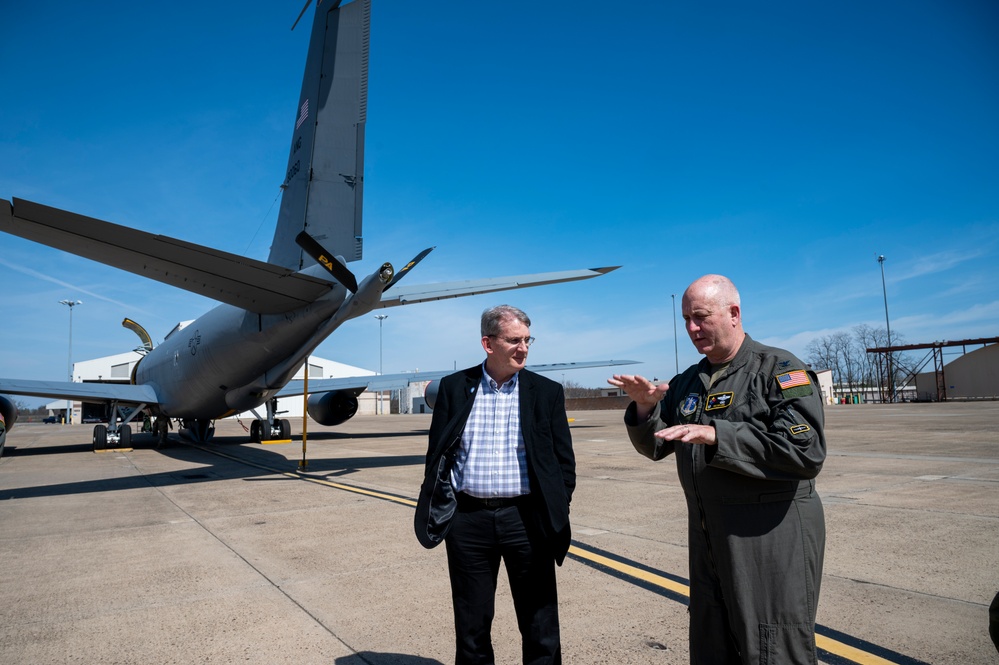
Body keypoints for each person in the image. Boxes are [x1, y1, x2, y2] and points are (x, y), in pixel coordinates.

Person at [609, 274, 826, 664]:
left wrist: (717, 434)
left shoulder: (779, 369)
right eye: (686, 319)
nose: (692, 328)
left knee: (771, 645)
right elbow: (657, 445)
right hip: (709, 537)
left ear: (733, 314)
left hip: (770, 539)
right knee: (713, 644)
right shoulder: (688, 381)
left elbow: (805, 451)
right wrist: (644, 408)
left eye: (701, 317)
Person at [415, 305, 575, 665]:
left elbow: (564, 462)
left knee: (540, 623)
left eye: (527, 340)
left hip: (526, 521)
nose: (523, 348)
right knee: (471, 624)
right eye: (513, 340)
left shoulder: (546, 391)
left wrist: (556, 506)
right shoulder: (455, 388)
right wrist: (447, 511)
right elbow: (437, 454)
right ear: (488, 343)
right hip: (468, 523)